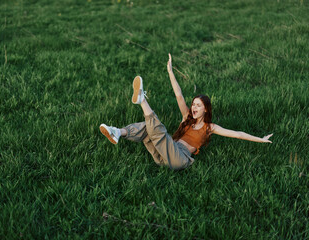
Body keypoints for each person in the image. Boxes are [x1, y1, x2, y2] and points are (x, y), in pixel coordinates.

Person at [99, 53, 273, 170]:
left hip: (179, 158)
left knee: (158, 130)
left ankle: (142, 100)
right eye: (193, 104)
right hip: (162, 155)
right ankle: (117, 132)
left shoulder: (210, 127)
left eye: (198, 105)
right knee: (148, 127)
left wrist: (261, 139)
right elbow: (178, 94)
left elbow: (238, 134)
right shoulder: (186, 118)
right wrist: (170, 71)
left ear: (206, 109)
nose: (194, 107)